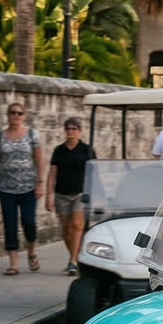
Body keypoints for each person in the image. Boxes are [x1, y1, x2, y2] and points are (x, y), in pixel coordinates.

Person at [0, 103, 45, 275]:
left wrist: (40, 182)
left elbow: (39, 159)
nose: (16, 116)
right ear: (8, 115)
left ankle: (31, 251)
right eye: (12, 113)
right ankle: (13, 262)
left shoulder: (32, 134)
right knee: (10, 223)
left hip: (28, 187)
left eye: (19, 113)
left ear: (24, 115)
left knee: (29, 222)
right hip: (6, 187)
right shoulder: (0, 136)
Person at [47, 118, 95, 277]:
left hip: (80, 193)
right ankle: (75, 256)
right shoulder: (59, 150)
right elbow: (52, 173)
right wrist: (48, 195)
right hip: (62, 193)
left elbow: (93, 172)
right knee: (66, 229)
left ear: (79, 131)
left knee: (77, 225)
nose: (71, 131)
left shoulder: (87, 150)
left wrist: (96, 192)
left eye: (74, 128)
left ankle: (73, 261)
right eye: (68, 129)